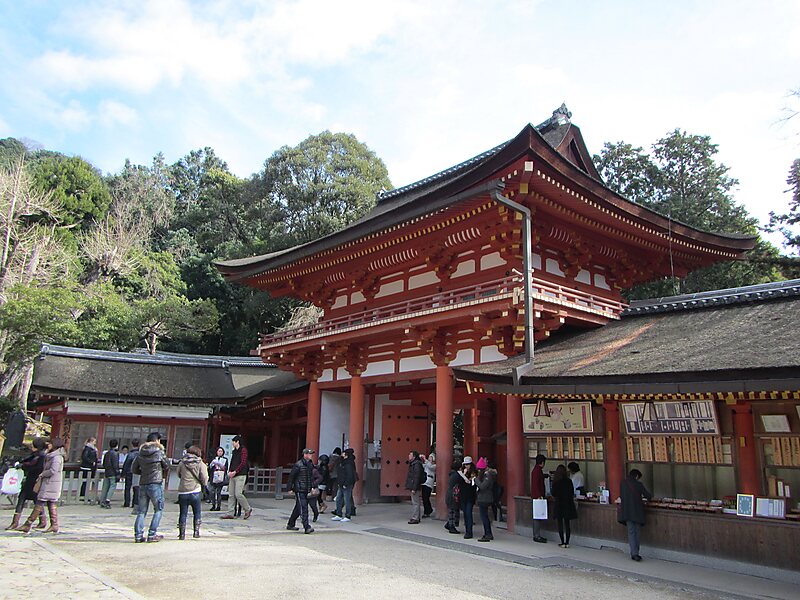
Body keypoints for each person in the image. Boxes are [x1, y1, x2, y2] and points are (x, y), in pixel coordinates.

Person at [17, 437, 65, 534]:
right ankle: (54, 524)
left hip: (50, 483)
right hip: (50, 483)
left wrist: (43, 474)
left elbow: (53, 470)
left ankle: (28, 524)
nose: (48, 445)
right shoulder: (51, 455)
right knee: (51, 503)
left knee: (40, 503)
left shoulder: (56, 457)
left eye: (51, 444)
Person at [132, 431, 171, 543]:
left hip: (143, 482)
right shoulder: (159, 452)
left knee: (141, 511)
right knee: (158, 509)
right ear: (157, 440)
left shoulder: (141, 453)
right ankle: (152, 534)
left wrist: (144, 472)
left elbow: (134, 469)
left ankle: (138, 535)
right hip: (155, 482)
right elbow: (166, 465)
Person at [6, 438, 47, 531]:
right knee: (24, 499)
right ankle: (15, 522)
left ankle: (42, 521)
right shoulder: (34, 455)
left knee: (36, 501)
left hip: (35, 481)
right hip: (29, 481)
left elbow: (38, 468)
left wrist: (25, 466)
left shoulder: (41, 456)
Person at [618, 469, 653, 561]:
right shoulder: (638, 484)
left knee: (631, 532)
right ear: (636, 476)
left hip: (627, 511)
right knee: (637, 532)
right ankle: (635, 552)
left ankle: (634, 553)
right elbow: (648, 495)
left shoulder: (623, 483)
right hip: (637, 511)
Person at [177, 445, 209, 540]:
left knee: (183, 513)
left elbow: (179, 474)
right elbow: (204, 477)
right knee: (197, 512)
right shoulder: (201, 463)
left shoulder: (182, 463)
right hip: (195, 490)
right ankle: (196, 532)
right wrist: (204, 484)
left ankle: (182, 534)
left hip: (183, 491)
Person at [222, 435, 252, 520]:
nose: (232, 443)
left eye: (233, 442)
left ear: (237, 442)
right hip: (233, 474)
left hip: (241, 474)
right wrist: (230, 471)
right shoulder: (234, 451)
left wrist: (236, 471)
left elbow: (243, 463)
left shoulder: (243, 450)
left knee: (238, 494)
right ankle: (230, 512)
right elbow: (232, 462)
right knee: (231, 494)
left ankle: (247, 508)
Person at [287, 448, 316, 533]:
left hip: (306, 488)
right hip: (299, 488)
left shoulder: (310, 464)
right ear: (305, 455)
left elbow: (310, 478)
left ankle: (291, 524)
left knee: (298, 507)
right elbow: (292, 477)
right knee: (303, 508)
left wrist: (312, 487)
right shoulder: (298, 464)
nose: (311, 456)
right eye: (309, 454)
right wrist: (289, 488)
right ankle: (306, 526)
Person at [551, 464, 577, 548]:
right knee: (567, 523)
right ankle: (567, 542)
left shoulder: (556, 482)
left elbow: (553, 493)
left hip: (559, 504)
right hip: (568, 504)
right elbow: (572, 493)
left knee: (560, 524)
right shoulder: (569, 481)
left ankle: (562, 542)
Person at [332, 447, 356, 522]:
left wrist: (346, 483)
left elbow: (350, 475)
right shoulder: (342, 462)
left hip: (346, 484)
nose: (342, 454)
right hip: (341, 484)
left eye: (343, 453)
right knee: (339, 499)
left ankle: (347, 515)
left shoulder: (349, 464)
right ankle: (338, 514)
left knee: (347, 500)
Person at [475, 457, 495, 542]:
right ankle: (487, 533)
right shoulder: (486, 475)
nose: (479, 471)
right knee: (484, 516)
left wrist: (476, 480)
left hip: (485, 498)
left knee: (484, 517)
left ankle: (488, 534)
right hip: (483, 498)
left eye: (479, 470)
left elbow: (483, 486)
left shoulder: (487, 475)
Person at [530, 454, 547, 543]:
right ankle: (536, 535)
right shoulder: (537, 471)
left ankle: (536, 534)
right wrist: (539, 495)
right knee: (537, 516)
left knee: (537, 516)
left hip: (536, 496)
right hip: (537, 497)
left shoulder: (535, 470)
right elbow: (536, 484)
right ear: (542, 462)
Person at [404, 450, 425, 524]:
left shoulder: (416, 465)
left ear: (414, 456)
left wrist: (414, 488)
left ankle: (415, 518)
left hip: (415, 486)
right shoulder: (414, 464)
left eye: (410, 455)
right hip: (414, 485)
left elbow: (417, 477)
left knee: (415, 502)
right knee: (415, 502)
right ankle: (416, 517)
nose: (409, 456)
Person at [99, 438, 120, 508]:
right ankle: (107, 500)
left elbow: (104, 463)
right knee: (112, 486)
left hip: (107, 471)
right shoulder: (115, 454)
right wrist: (117, 473)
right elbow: (115, 465)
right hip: (113, 472)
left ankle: (102, 500)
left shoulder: (106, 453)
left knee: (105, 486)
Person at [459, 457, 477, 539]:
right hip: (463, 495)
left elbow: (473, 484)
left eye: (468, 464)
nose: (466, 466)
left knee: (468, 513)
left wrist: (468, 479)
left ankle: (469, 532)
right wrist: (463, 474)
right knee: (465, 513)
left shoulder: (474, 472)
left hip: (470, 495)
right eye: (465, 464)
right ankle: (467, 530)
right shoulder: (462, 471)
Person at [444, 461, 463, 534]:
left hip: (450, 493)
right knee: (453, 511)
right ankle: (451, 526)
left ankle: (449, 524)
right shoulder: (457, 475)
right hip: (453, 494)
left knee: (452, 510)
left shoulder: (452, 474)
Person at [208, 447, 228, 511]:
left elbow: (226, 468)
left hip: (220, 476)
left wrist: (220, 465)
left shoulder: (225, 459)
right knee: (212, 491)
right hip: (214, 476)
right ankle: (213, 505)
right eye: (219, 451)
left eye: (221, 451)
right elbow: (210, 467)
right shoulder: (214, 459)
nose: (220, 452)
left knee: (219, 492)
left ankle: (218, 506)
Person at [122, 440, 140, 509]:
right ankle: (135, 503)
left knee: (127, 488)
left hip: (129, 472)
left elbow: (126, 464)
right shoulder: (140, 454)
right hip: (137, 472)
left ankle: (127, 503)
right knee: (136, 488)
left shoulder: (130, 454)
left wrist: (123, 473)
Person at [421, 453, 436, 518]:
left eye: (431, 457)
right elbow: (423, 466)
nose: (429, 458)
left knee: (426, 497)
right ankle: (427, 511)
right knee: (424, 498)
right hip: (424, 482)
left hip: (429, 483)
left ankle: (428, 510)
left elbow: (430, 467)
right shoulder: (426, 464)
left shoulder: (434, 465)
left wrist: (425, 459)